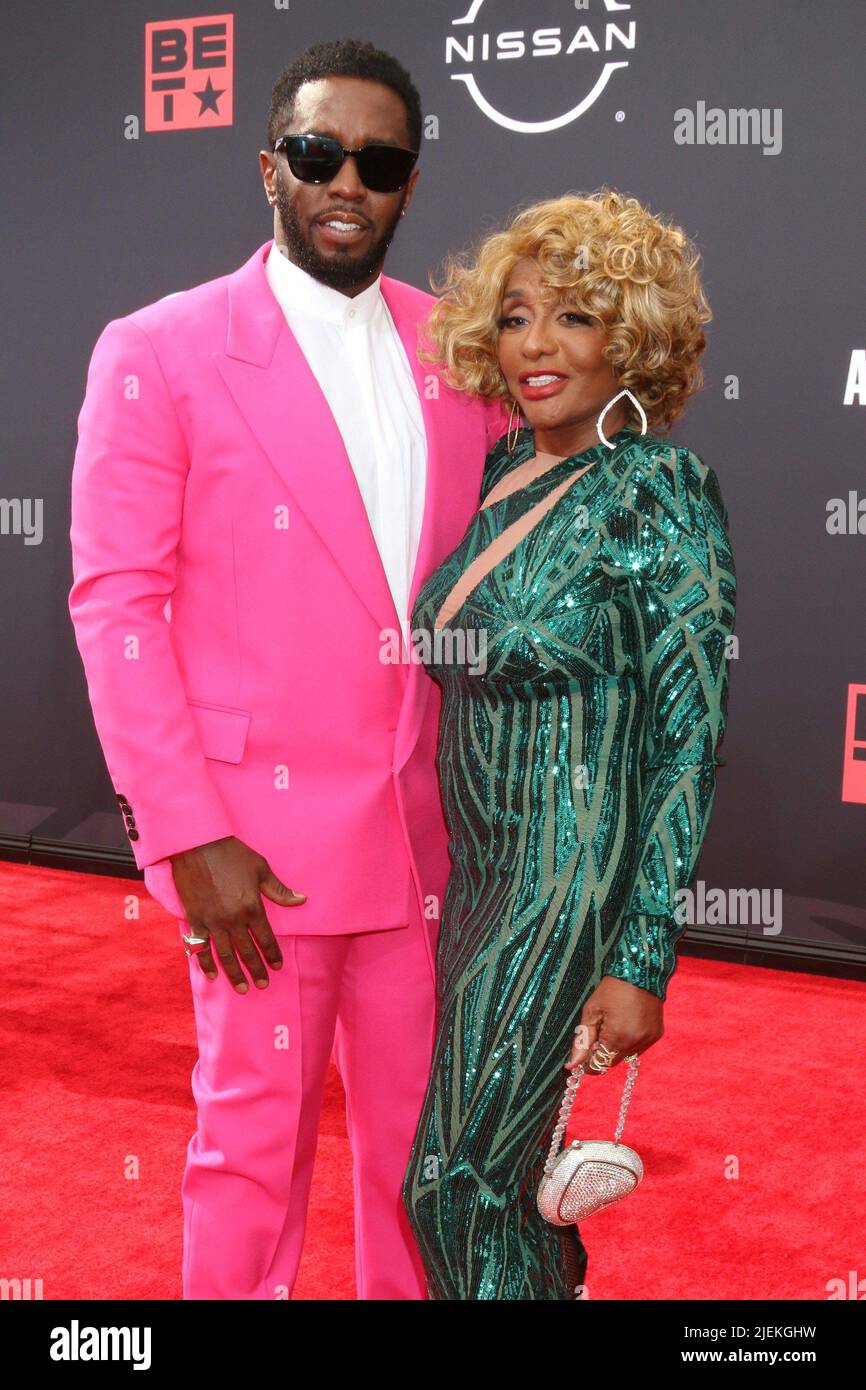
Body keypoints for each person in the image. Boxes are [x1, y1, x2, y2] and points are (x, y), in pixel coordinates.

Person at [68, 38, 506, 1300]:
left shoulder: (456, 353)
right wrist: (184, 831)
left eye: (378, 162)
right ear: (271, 167)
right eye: (318, 155)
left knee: (421, 1159)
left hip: (424, 840)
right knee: (251, 1154)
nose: (345, 183)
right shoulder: (160, 348)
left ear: (409, 185)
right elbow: (118, 606)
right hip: (251, 851)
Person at [402, 190, 737, 1299]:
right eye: (512, 317)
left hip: (566, 885)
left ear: (630, 337)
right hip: (481, 886)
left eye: (574, 316)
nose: (534, 345)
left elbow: (687, 739)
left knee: (455, 1187)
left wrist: (639, 954)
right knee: (502, 1193)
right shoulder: (503, 477)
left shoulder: (656, 487)